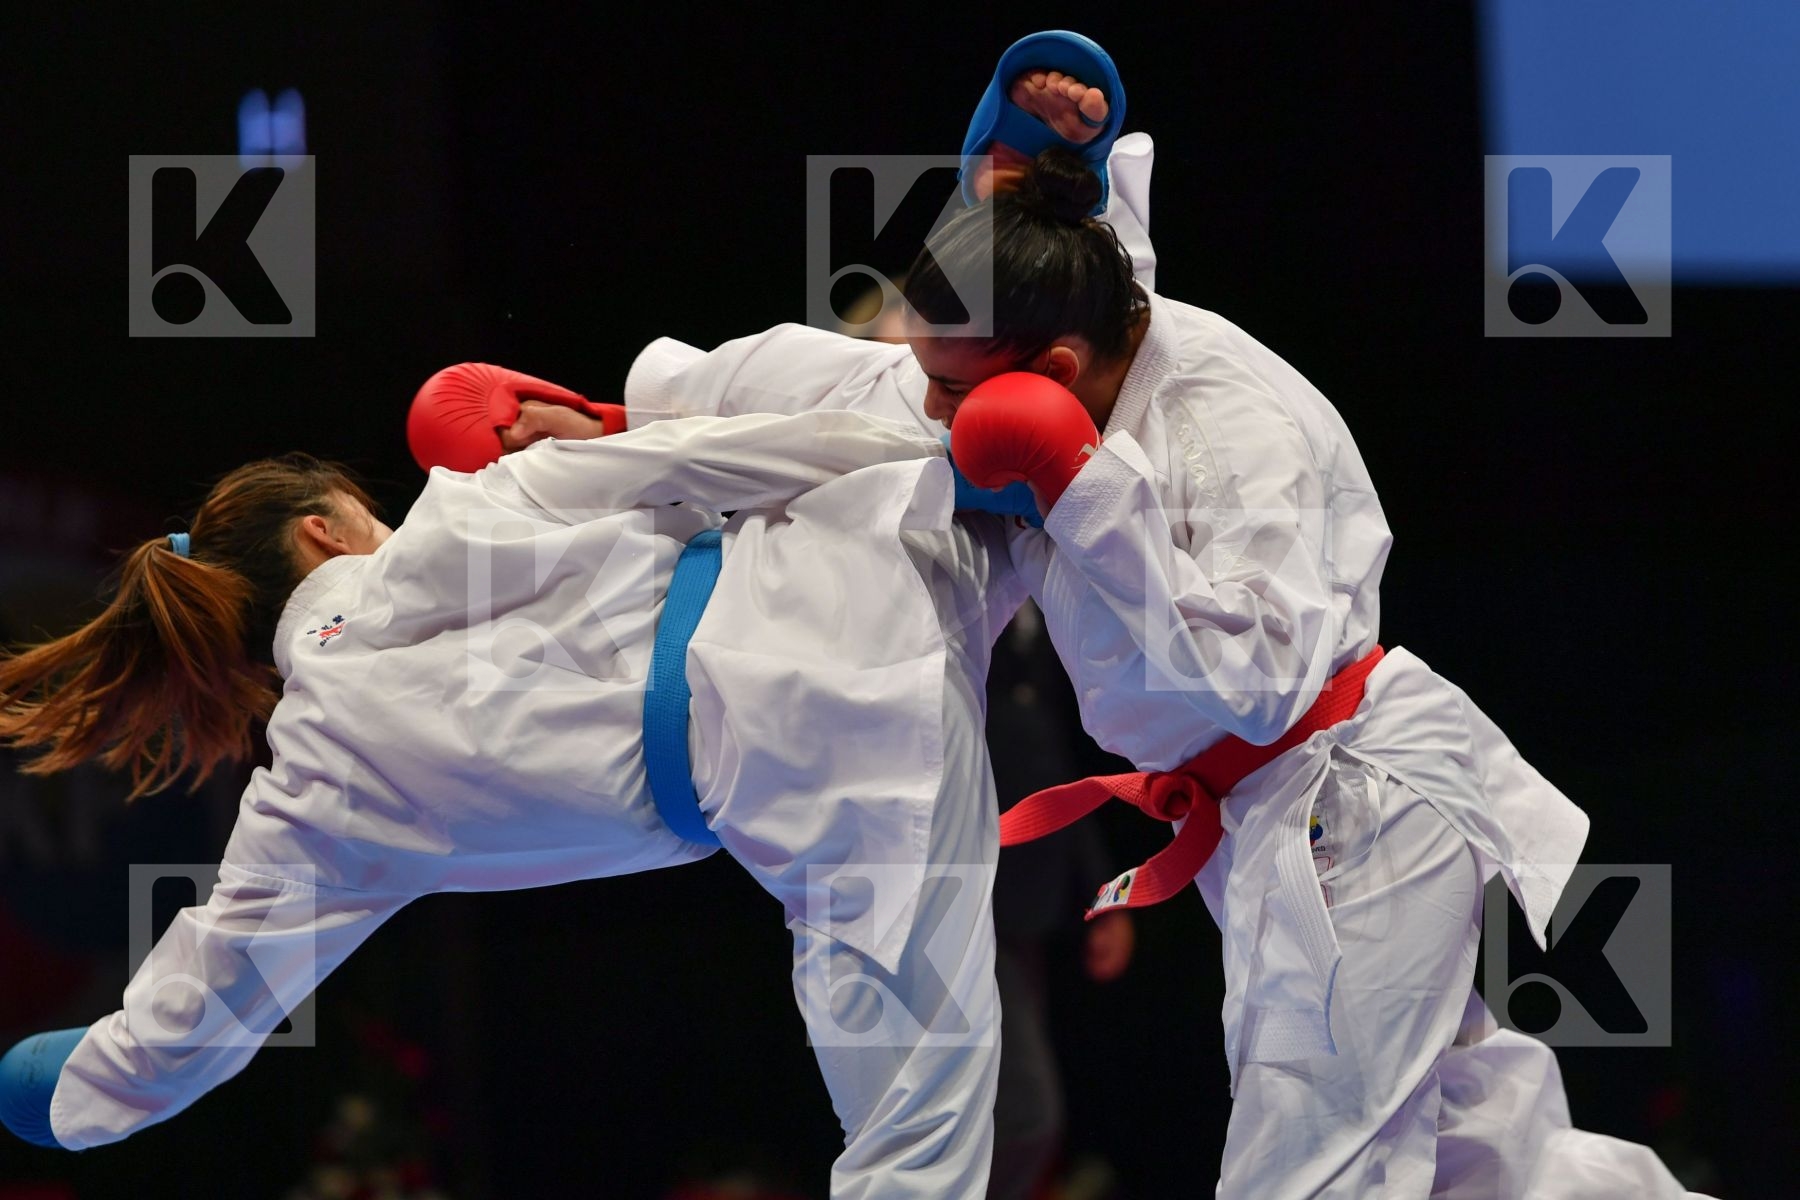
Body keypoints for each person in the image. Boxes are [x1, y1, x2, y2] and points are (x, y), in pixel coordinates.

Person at [563, 71, 1711, 1200]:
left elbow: (1260, 683)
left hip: (1351, 806)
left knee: (1314, 1170)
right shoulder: (1081, 311)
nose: (935, 414)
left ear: (1054, 377)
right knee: (1484, 1153)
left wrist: (1079, 484)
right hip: (1264, 813)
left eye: (961, 392)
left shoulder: (1235, 432)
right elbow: (862, 392)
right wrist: (620, 426)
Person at [0, 409, 1024, 1199]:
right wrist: (939, 456)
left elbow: (214, 994)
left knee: (911, 1146)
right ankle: (1067, 233)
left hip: (821, 790)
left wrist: (83, 1089)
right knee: (1088, 481)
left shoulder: (313, 790)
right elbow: (706, 453)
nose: (387, 523)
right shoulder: (461, 514)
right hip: (848, 583)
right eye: (367, 512)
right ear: (322, 534)